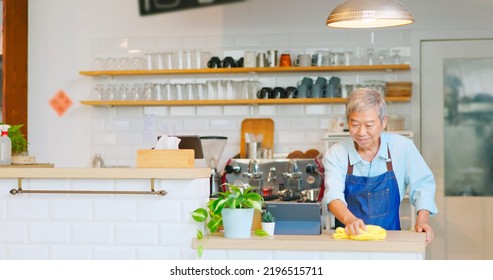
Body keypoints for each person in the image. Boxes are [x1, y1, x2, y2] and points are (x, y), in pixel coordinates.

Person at [322, 88, 438, 244]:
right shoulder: (336, 154)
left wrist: (422, 220)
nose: (361, 132)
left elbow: (423, 185)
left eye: (369, 125)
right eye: (355, 124)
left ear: (384, 122)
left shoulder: (402, 147)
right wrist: (350, 220)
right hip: (348, 242)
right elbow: (333, 196)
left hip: (391, 242)